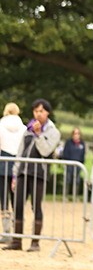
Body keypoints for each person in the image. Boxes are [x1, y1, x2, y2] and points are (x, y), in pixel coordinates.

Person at [5, 98, 61, 252]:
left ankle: (35, 242)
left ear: (48, 112)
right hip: (23, 171)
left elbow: (45, 151)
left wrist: (38, 134)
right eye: (36, 111)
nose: (38, 114)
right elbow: (20, 152)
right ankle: (17, 240)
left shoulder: (53, 132)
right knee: (17, 205)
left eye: (41, 111)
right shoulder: (27, 129)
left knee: (36, 206)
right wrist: (15, 174)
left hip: (39, 173)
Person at [0, 102, 23, 242]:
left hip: (3, 161)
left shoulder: (1, 125)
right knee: (16, 197)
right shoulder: (23, 127)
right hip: (17, 162)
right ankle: (17, 230)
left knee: (3, 198)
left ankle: (6, 231)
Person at [61, 127, 87, 200]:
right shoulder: (68, 142)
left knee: (77, 181)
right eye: (75, 133)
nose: (76, 135)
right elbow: (65, 153)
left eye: (78, 133)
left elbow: (83, 154)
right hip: (69, 164)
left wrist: (81, 163)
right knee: (67, 180)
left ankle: (75, 196)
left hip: (78, 165)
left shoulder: (82, 143)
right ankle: (65, 196)